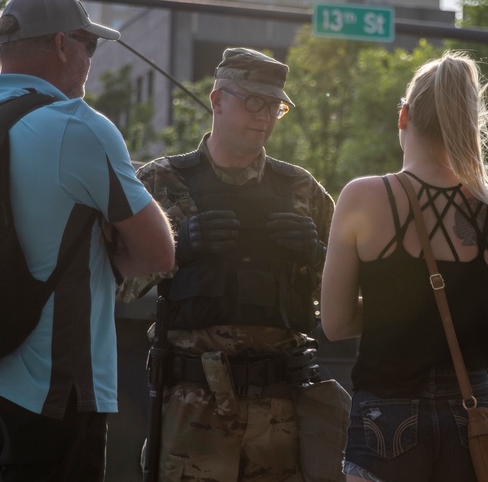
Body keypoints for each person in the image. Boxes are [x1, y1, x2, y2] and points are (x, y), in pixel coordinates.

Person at [0, 0, 176, 482]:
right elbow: (159, 253)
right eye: (88, 46)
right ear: (60, 45)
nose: (90, 60)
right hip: (52, 390)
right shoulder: (76, 126)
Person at [118, 47, 336, 482]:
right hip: (193, 403)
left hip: (281, 407)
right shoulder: (161, 181)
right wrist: (177, 250)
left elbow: (343, 302)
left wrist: (317, 257)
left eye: (275, 106)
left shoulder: (302, 189)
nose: (265, 116)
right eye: (254, 101)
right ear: (217, 100)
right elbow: (117, 283)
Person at [320, 51, 488, 482]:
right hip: (474, 413)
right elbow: (479, 312)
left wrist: (393, 310)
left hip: (387, 410)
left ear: (404, 116)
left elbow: (334, 323)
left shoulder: (364, 196)